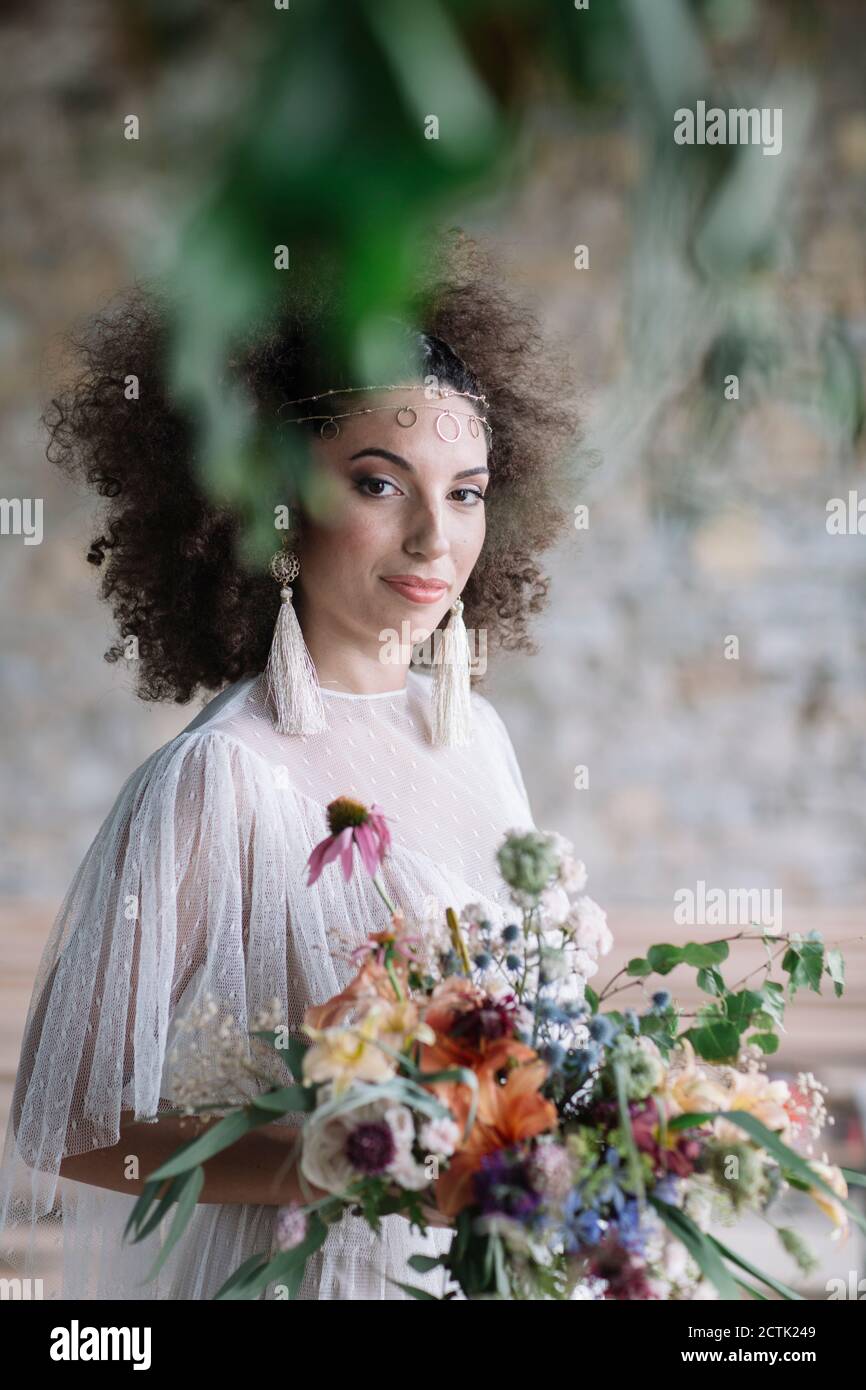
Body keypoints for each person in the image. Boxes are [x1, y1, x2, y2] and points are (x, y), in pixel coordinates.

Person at [0, 234, 582, 1299]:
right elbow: (68, 1123)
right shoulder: (217, 778)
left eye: (465, 492)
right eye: (380, 483)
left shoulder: (479, 738)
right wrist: (339, 1163)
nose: (434, 538)